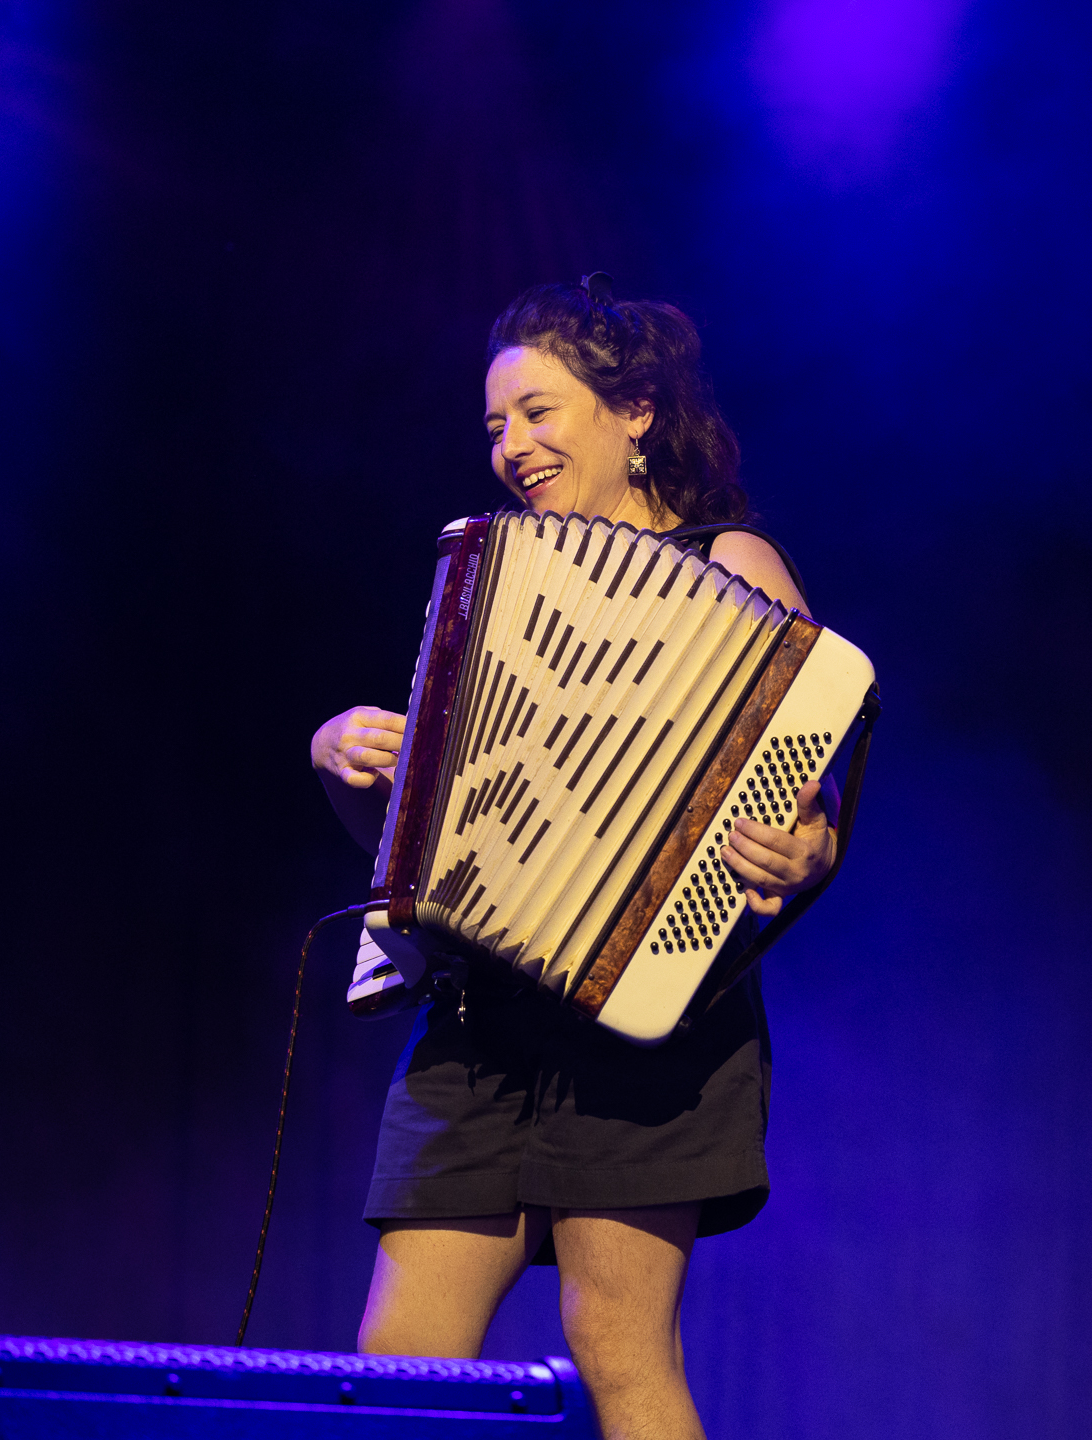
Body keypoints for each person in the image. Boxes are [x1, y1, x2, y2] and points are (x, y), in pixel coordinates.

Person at [307, 275, 834, 1440]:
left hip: (650, 1016)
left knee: (616, 1344)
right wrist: (343, 764)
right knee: (400, 1364)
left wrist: (806, 846)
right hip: (477, 1020)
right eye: (495, 424)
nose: (511, 445)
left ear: (635, 409)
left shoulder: (730, 558)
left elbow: (813, 791)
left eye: (538, 412)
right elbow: (423, 858)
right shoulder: (493, 581)